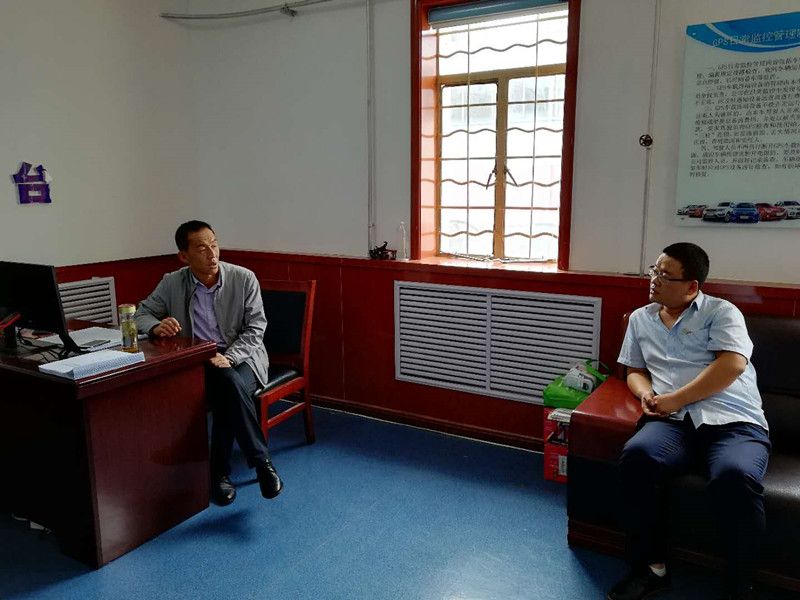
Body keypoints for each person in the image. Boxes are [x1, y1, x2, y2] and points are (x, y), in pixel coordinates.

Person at [607, 243, 770, 600]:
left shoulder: (721, 312)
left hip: (732, 419)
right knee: (638, 457)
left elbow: (732, 365)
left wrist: (676, 398)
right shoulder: (640, 319)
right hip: (672, 422)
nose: (654, 280)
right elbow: (634, 370)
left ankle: (740, 585)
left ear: (692, 286)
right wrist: (646, 394)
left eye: (666, 276)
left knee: (735, 476)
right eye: (654, 271)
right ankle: (651, 569)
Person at [134, 220, 282, 506]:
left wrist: (230, 357)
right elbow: (142, 313)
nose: (212, 254)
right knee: (227, 387)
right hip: (199, 360)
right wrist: (155, 326)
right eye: (202, 248)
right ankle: (261, 463)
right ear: (184, 256)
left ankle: (220, 474)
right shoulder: (172, 282)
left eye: (214, 245)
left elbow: (255, 329)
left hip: (244, 357)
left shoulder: (243, 278)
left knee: (228, 383)